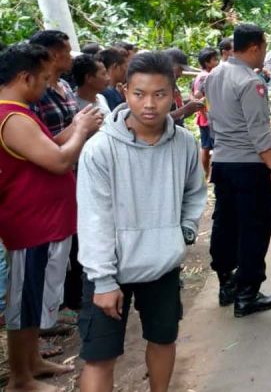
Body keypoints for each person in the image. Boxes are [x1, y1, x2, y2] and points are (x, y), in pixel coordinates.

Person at [76, 51, 207, 392]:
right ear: (124, 91)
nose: (149, 104)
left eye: (160, 94)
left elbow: (195, 192)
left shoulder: (184, 144)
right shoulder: (100, 149)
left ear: (173, 95)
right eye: (139, 93)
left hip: (162, 265)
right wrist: (103, 280)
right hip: (110, 270)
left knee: (163, 339)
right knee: (100, 356)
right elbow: (93, 218)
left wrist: (184, 231)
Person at [0, 43, 102, 392]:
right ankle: (20, 378)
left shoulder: (20, 114)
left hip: (43, 221)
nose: (47, 86)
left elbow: (49, 147)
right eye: (44, 79)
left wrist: (75, 125)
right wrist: (82, 131)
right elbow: (59, 161)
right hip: (31, 224)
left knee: (35, 298)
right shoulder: (11, 117)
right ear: (24, 77)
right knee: (24, 303)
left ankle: (32, 363)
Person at [204, 23, 271, 317]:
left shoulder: (214, 75)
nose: (264, 54)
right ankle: (247, 293)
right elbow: (259, 132)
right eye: (263, 48)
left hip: (223, 162)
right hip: (249, 166)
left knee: (225, 222)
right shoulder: (251, 82)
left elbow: (212, 118)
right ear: (254, 47)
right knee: (256, 226)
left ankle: (226, 281)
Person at [28, 30, 85, 314]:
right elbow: (44, 145)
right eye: (65, 50)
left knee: (74, 242)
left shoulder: (63, 85)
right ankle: (51, 310)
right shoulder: (33, 95)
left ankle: (72, 300)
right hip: (52, 174)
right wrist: (80, 129)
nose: (70, 56)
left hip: (75, 174)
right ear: (51, 54)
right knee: (52, 250)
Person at [192, 47, 221, 178]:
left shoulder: (199, 76)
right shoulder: (206, 77)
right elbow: (198, 95)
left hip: (204, 117)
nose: (217, 62)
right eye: (215, 59)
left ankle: (206, 174)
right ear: (207, 62)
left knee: (206, 146)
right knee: (214, 147)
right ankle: (212, 174)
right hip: (208, 117)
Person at [164, 48, 204, 125]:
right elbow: (159, 119)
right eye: (180, 69)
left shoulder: (172, 83)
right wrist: (186, 108)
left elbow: (179, 114)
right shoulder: (158, 87)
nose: (180, 74)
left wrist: (193, 105)